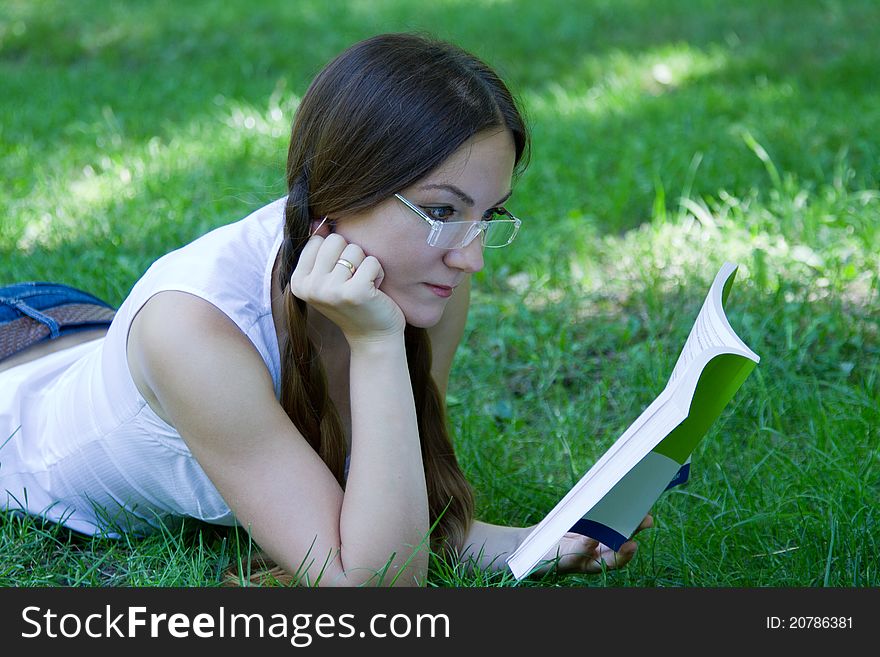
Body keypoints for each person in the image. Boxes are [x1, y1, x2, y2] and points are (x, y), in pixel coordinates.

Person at [0, 33, 651, 587]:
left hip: (80, 328)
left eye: (489, 215)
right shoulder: (194, 332)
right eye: (444, 211)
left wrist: (538, 542)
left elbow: (402, 516)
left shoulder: (425, 277)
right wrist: (374, 345)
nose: (471, 257)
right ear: (340, 193)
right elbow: (374, 582)